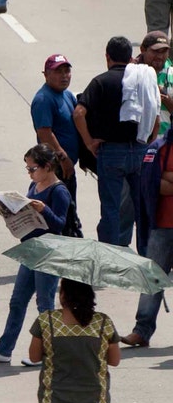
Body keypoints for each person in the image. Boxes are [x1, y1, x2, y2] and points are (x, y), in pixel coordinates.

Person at [0, 144, 74, 363]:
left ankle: (47, 352)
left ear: (48, 167)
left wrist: (44, 210)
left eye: (33, 168)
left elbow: (59, 224)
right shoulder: (34, 185)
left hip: (49, 252)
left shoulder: (59, 191)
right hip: (30, 250)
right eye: (27, 169)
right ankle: (4, 349)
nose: (30, 173)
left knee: (44, 303)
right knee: (17, 301)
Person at [76, 36, 151, 249]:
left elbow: (79, 113)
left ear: (107, 57)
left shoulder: (100, 81)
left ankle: (108, 261)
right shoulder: (141, 81)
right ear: (131, 58)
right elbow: (153, 115)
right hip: (139, 150)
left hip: (111, 153)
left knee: (110, 209)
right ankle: (147, 259)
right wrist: (148, 143)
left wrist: (89, 142)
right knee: (142, 208)